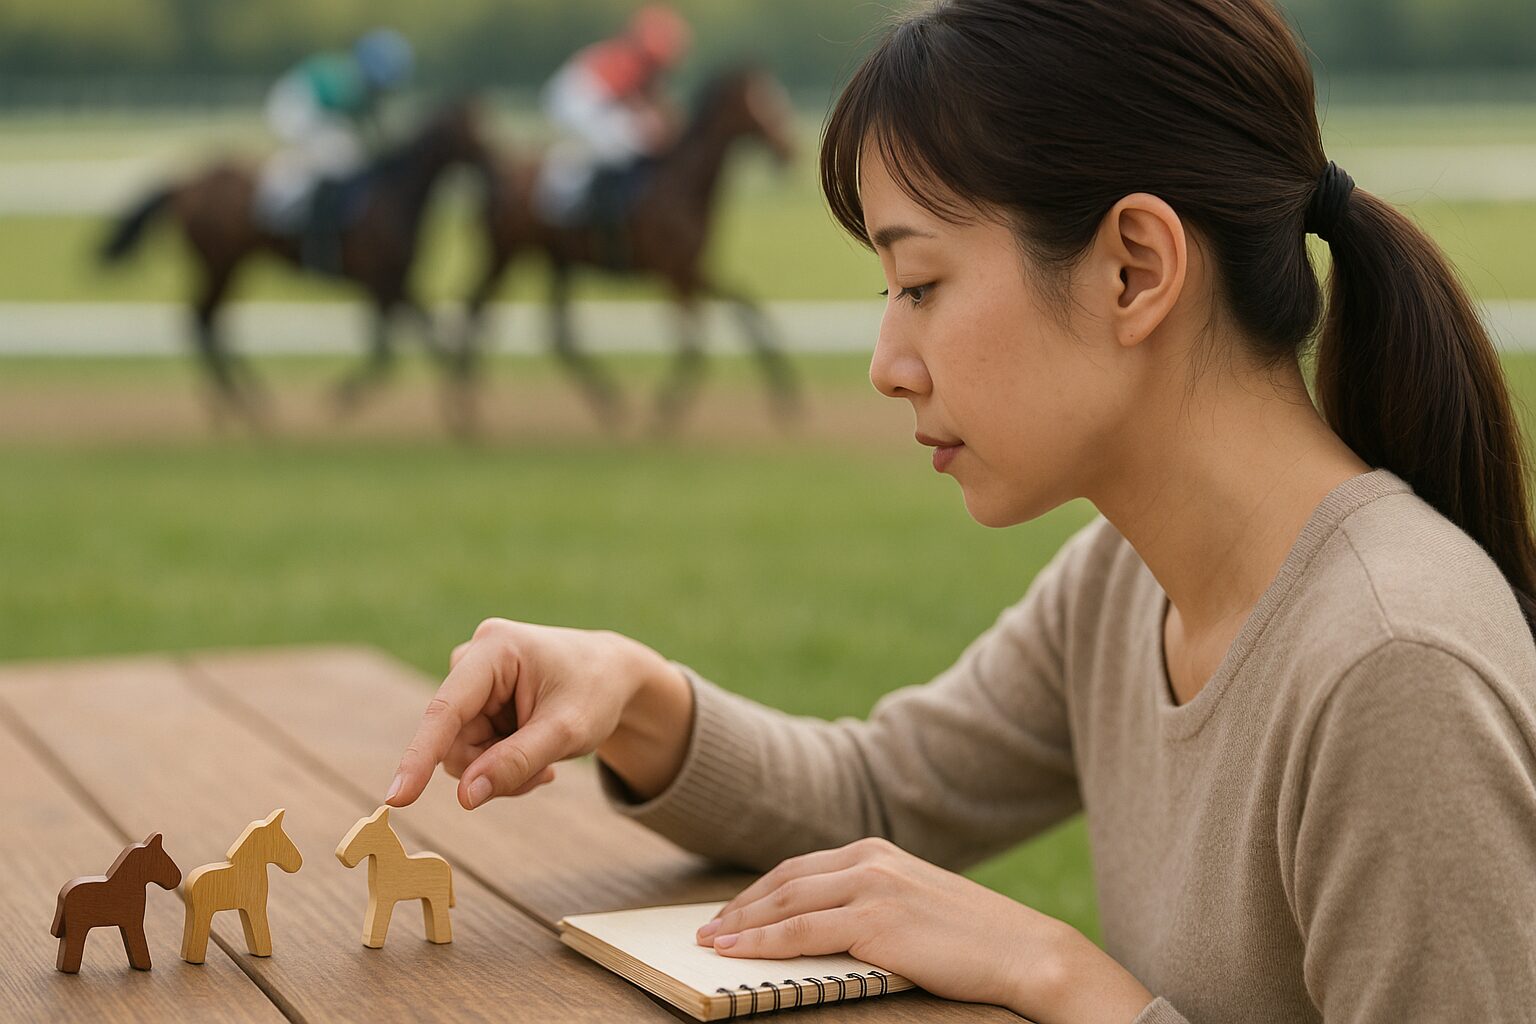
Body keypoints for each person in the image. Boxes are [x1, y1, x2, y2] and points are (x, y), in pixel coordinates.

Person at [384, 1, 1536, 1021]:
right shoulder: (1125, 579)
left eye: (921, 284)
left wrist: (1064, 979)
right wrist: (635, 694)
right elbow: (878, 796)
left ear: (1134, 268)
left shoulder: (1394, 669)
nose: (888, 362)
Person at [255, 28, 415, 272]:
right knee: (337, 158)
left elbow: (376, 132)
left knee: (346, 152)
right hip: (294, 106)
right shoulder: (349, 84)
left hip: (315, 110)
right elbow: (361, 130)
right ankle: (312, 238)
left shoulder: (362, 82)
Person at [534, 4, 693, 233]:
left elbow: (652, 107)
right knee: (619, 144)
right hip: (574, 100)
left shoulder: (637, 60)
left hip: (592, 101)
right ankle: (564, 195)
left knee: (632, 135)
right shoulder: (629, 62)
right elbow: (636, 104)